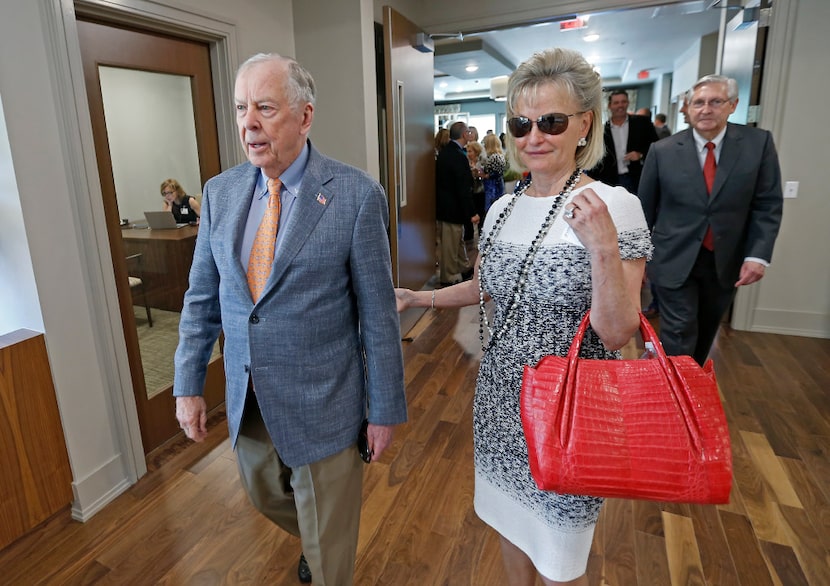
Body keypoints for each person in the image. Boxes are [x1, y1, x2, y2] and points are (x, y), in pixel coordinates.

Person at [396, 48, 651, 585]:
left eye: (551, 122)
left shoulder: (614, 206)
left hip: (569, 409)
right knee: (508, 528)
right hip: (500, 399)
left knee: (560, 554)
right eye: (521, 123)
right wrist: (420, 300)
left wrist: (604, 248)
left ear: (584, 124)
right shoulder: (502, 208)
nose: (533, 136)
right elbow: (485, 286)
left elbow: (617, 330)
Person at [172, 53, 407, 586]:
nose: (248, 123)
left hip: (327, 400)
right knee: (263, 495)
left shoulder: (353, 195)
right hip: (249, 397)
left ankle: (327, 542)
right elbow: (200, 298)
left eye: (265, 108)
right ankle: (323, 531)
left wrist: (384, 408)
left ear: (304, 116)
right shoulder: (219, 192)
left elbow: (376, 311)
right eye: (240, 108)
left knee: (329, 562)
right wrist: (187, 383)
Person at [638, 74, 783, 365]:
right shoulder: (662, 150)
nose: (706, 109)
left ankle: (689, 387)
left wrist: (758, 256)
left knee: (705, 330)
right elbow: (643, 209)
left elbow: (767, 203)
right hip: (672, 257)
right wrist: (637, 259)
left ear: (732, 105)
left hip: (725, 260)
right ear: (688, 108)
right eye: (698, 103)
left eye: (716, 102)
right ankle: (675, 399)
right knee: (679, 330)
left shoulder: (758, 144)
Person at [588, 90, 658, 194]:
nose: (620, 105)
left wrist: (641, 155)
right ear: (609, 106)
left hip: (637, 178)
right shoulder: (600, 131)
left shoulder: (643, 123)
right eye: (616, 103)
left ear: (628, 103)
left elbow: (655, 147)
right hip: (610, 181)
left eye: (623, 101)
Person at [436, 120, 478, 286]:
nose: (471, 134)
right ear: (464, 134)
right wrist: (472, 212)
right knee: (450, 245)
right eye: (469, 132)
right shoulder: (457, 155)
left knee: (457, 241)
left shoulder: (447, 152)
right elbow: (462, 187)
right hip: (451, 208)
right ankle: (449, 276)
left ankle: (462, 266)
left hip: (448, 206)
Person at [482, 132, 506, 213]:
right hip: (498, 185)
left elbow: (495, 173)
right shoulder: (499, 156)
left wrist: (485, 175)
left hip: (493, 187)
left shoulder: (494, 157)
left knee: (491, 209)